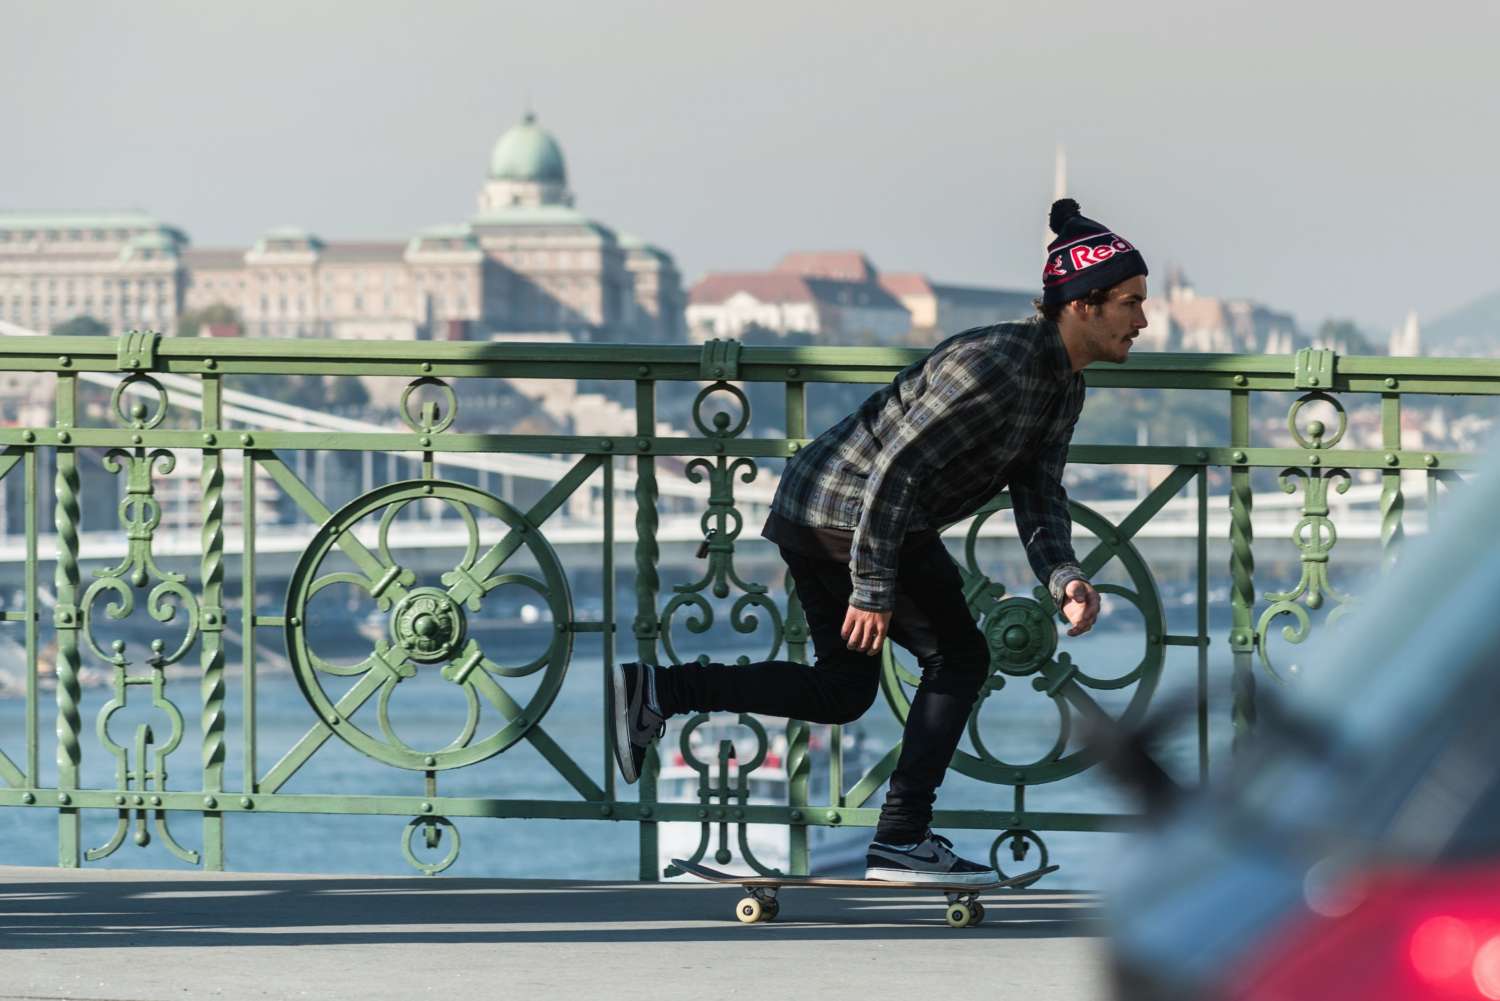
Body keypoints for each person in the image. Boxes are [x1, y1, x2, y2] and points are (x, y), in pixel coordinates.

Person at [612, 198, 1149, 884]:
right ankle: (902, 836)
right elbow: (898, 464)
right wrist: (873, 584)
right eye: (1131, 302)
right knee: (959, 656)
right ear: (1082, 304)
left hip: (831, 511)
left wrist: (1063, 575)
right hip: (845, 513)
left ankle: (656, 688)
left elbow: (1038, 492)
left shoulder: (1062, 387)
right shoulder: (996, 361)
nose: (1143, 320)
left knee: (842, 691)